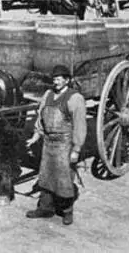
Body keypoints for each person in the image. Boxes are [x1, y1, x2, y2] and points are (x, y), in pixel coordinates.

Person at [25, 64, 86, 226]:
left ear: (67, 80)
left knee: (63, 178)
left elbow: (80, 126)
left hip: (64, 144)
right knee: (45, 176)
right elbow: (41, 117)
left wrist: (76, 149)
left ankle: (66, 211)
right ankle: (45, 208)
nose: (56, 82)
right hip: (48, 143)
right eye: (54, 79)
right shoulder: (48, 94)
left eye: (59, 79)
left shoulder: (75, 98)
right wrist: (36, 135)